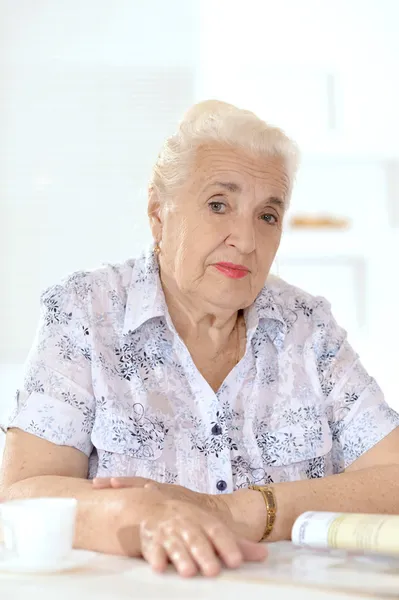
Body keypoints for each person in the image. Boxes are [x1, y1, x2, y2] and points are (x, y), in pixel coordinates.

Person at [1, 100, 399, 578]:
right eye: (218, 205)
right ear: (158, 213)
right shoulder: (86, 311)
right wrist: (137, 514)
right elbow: (23, 495)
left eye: (267, 215)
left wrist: (243, 511)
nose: (246, 239)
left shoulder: (308, 327)